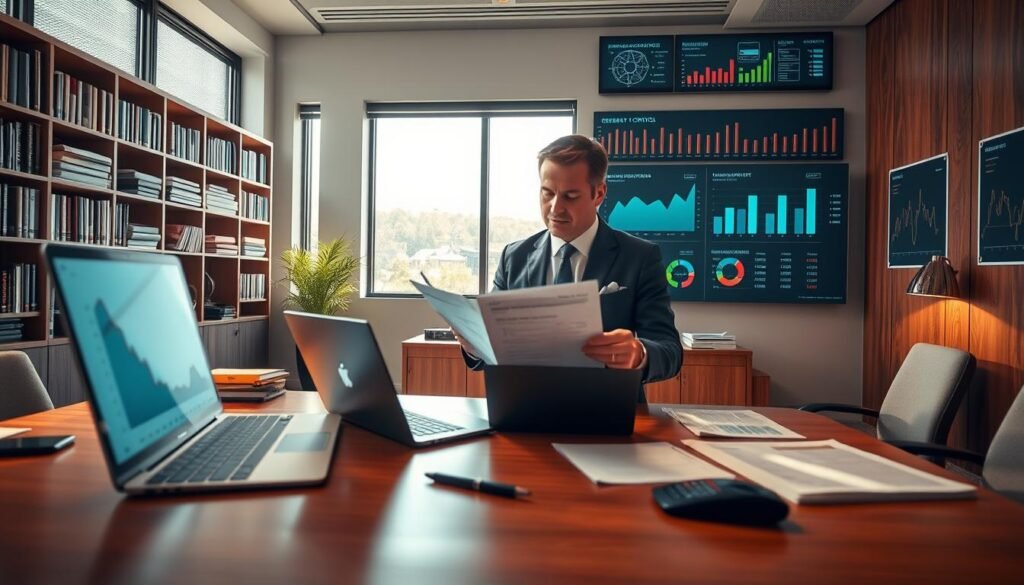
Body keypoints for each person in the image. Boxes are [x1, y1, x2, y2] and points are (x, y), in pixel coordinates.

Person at [459, 134, 682, 401]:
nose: (555, 208)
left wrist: (639, 353)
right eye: (547, 193)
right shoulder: (513, 257)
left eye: (570, 196)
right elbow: (494, 348)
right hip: (524, 415)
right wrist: (475, 345)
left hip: (609, 416)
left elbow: (670, 350)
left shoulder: (640, 257)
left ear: (599, 193)